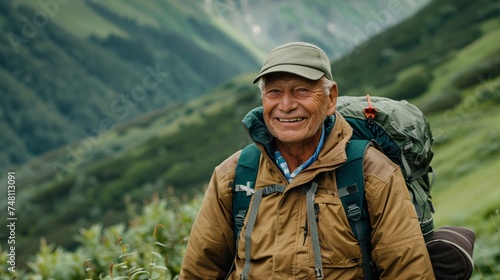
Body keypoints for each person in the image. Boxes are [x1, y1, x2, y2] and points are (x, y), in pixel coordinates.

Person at [179, 42, 434, 279]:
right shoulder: (234, 175)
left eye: (302, 90)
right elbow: (198, 273)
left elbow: (408, 272)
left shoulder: (373, 173)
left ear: (330, 98)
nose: (286, 105)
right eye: (274, 92)